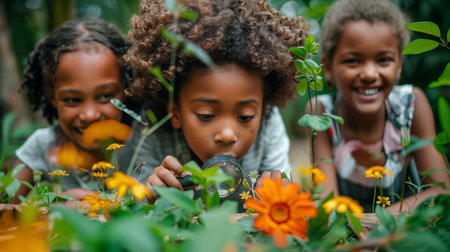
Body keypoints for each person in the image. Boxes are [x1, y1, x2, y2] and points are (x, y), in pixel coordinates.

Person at [121, 0, 308, 210]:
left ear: (262, 107)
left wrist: (279, 200)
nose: (227, 135)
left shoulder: (268, 123)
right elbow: (132, 207)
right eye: (207, 115)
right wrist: (152, 201)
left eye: (245, 116)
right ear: (175, 112)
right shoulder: (152, 128)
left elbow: (285, 204)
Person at [310, 0, 449, 212]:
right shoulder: (320, 113)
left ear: (399, 66)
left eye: (383, 60)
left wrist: (378, 225)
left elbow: (441, 192)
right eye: (353, 61)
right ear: (328, 68)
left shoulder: (411, 105)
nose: (369, 74)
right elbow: (326, 200)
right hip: (349, 237)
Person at [13, 19, 134, 204]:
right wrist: (52, 209)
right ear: (51, 96)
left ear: (125, 89)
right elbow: (4, 204)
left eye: (105, 96)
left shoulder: (143, 143)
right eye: (72, 100)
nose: (89, 115)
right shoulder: (44, 145)